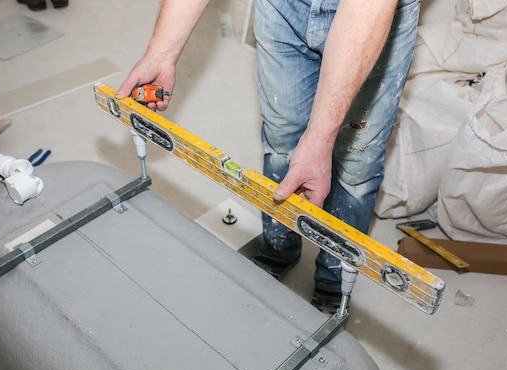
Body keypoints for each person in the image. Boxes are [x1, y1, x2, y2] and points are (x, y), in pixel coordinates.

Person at [117, 0, 420, 313]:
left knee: (357, 163)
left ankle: (333, 278)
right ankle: (279, 247)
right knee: (282, 138)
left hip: (370, 12)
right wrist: (161, 54)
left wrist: (320, 138)